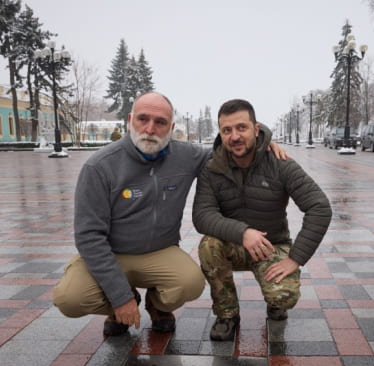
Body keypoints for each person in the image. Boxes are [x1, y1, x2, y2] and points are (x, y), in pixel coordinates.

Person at [53, 92, 286, 336]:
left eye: (160, 122)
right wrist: (120, 297)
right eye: (143, 119)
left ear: (171, 127)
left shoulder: (187, 156)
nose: (150, 128)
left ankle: (158, 307)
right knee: (69, 299)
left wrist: (262, 141)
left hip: (159, 252)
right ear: (130, 120)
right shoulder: (99, 166)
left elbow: (231, 147)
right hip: (110, 252)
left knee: (190, 283)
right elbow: (88, 236)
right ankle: (120, 303)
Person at [192, 99, 332, 341]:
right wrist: (243, 233)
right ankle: (227, 314)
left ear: (256, 130)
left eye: (241, 128)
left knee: (283, 297)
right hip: (233, 244)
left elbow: (319, 207)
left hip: (272, 246)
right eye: (227, 130)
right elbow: (202, 215)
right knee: (209, 245)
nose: (234, 136)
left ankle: (275, 303)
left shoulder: (280, 163)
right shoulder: (212, 168)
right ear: (221, 133)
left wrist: (295, 259)